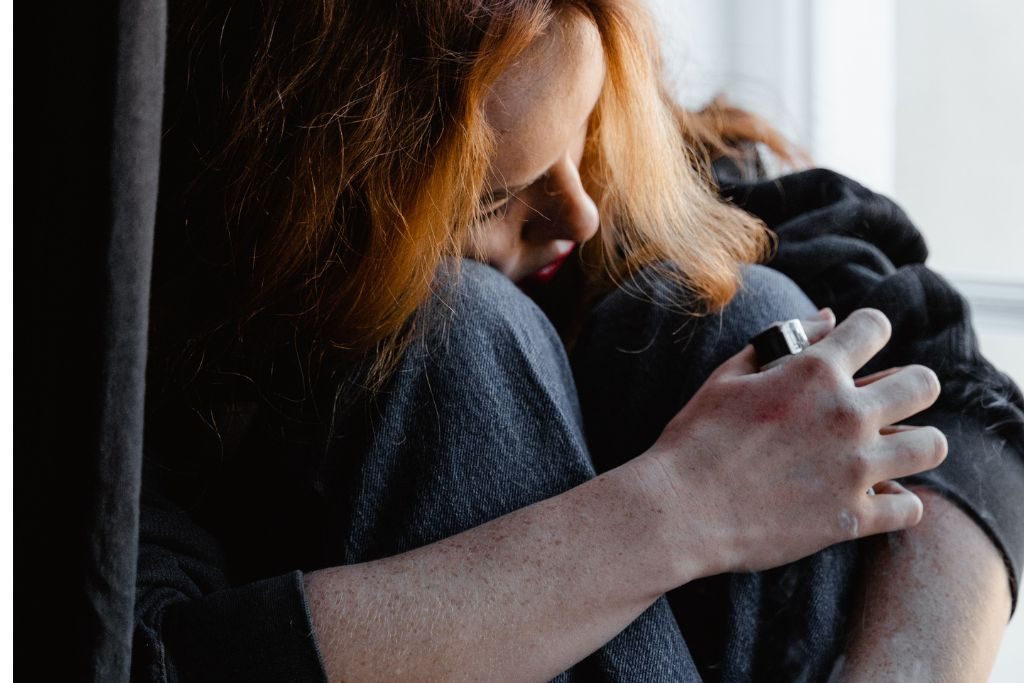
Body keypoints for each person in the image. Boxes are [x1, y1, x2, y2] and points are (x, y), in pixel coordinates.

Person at [136, 0, 1022, 681]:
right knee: (463, 336)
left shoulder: (629, 164)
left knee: (735, 307)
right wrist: (680, 508)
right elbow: (153, 656)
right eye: (492, 199)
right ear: (313, 213)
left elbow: (970, 419)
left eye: (587, 125)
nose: (580, 210)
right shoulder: (134, 352)